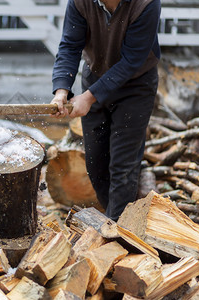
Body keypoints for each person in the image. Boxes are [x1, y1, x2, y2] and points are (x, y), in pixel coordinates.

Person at [51, 0, 161, 221]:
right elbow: (70, 45)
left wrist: (89, 97)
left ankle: (116, 230)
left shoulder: (146, 3)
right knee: (96, 163)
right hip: (95, 76)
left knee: (123, 166)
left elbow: (132, 60)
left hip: (136, 86)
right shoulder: (80, 3)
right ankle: (118, 220)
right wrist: (61, 91)